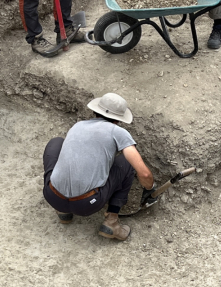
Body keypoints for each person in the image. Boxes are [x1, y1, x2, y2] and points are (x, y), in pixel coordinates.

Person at [42, 93, 153, 241]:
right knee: (127, 162)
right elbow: (144, 175)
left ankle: (62, 211)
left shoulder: (78, 125)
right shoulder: (118, 132)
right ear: (119, 119)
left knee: (55, 143)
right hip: (86, 205)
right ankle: (112, 222)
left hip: (52, 196)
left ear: (96, 110)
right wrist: (149, 189)